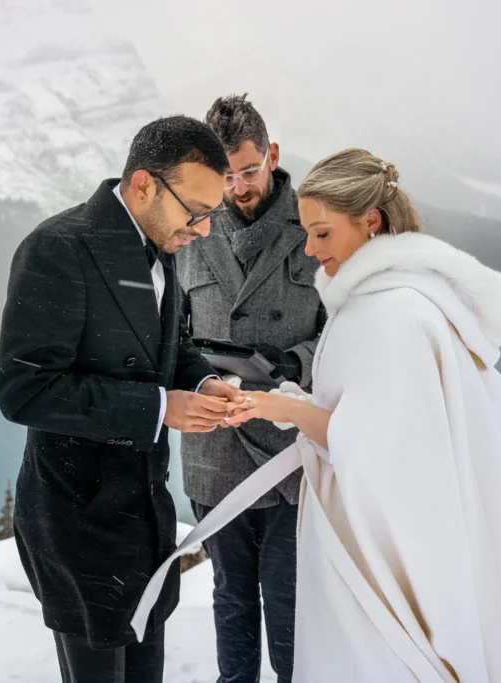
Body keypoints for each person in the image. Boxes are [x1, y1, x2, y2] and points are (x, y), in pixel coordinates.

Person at [134, 148, 501, 681]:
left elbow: (373, 446)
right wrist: (294, 405)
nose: (311, 250)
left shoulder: (387, 316)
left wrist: (277, 406)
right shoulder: (409, 297)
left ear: (370, 221)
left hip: (401, 561)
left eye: (321, 233)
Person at [0, 115, 245, 683]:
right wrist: (159, 410)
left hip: (142, 517)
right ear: (143, 186)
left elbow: (170, 349)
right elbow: (25, 389)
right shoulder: (57, 249)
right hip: (76, 521)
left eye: (213, 215)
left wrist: (204, 383)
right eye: (197, 212)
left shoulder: (163, 242)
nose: (203, 230)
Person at [176, 93, 324, 683]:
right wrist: (202, 376)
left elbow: (344, 326)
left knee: (290, 605)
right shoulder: (190, 227)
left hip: (290, 452)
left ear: (273, 155)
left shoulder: (312, 219)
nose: (239, 187)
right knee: (231, 598)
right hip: (214, 450)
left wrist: (293, 360)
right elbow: (171, 333)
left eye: (250, 170)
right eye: (228, 176)